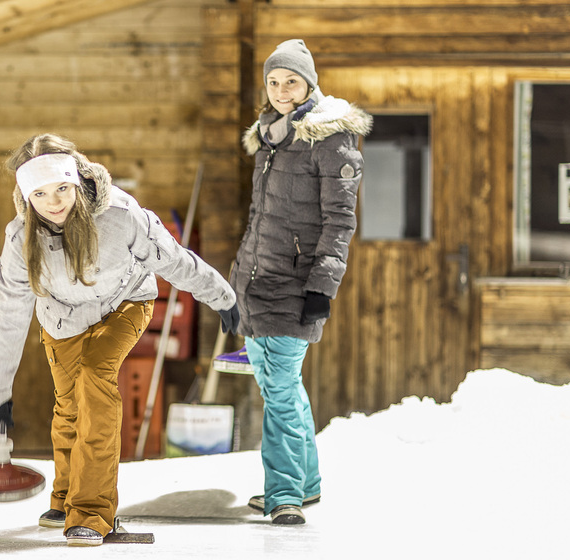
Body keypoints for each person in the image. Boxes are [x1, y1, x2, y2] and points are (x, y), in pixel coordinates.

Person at [0, 133, 238, 546]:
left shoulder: (120, 215)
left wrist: (220, 295)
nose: (54, 202)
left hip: (125, 303)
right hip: (62, 319)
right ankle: (64, 497)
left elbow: (171, 257)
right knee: (68, 405)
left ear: (76, 179)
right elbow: (9, 317)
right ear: (27, 195)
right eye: (41, 193)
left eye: (62, 188)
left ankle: (92, 513)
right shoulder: (19, 241)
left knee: (95, 382)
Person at [232, 39, 371, 525]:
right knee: (282, 388)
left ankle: (285, 494)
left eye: (290, 80)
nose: (280, 90)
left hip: (295, 284)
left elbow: (341, 220)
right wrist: (237, 280)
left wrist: (322, 286)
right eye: (273, 82)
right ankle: (305, 484)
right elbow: (259, 216)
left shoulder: (329, 139)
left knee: (280, 391)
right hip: (256, 280)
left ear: (309, 83)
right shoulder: (271, 137)